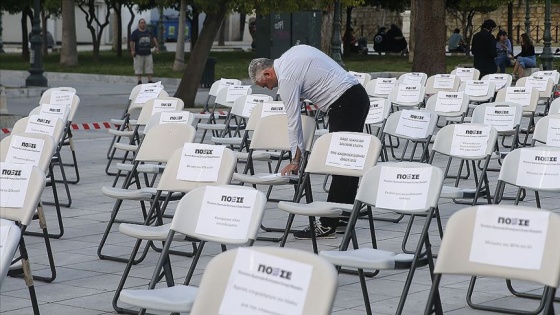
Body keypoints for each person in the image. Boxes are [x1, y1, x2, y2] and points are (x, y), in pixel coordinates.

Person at [248, 45, 370, 239]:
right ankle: (344, 215)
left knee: (340, 163)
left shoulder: (286, 77)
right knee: (348, 163)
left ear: (268, 72)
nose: (270, 89)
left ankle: (328, 223)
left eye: (266, 84)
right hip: (355, 97)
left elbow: (293, 120)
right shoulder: (289, 55)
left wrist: (296, 159)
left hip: (345, 103)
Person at [129, 18, 159, 85]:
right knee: (138, 67)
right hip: (138, 53)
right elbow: (131, 42)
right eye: (141, 23)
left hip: (148, 53)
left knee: (149, 66)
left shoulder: (148, 32)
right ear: (139, 24)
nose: (143, 24)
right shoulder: (135, 33)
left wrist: (157, 46)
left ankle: (150, 80)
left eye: (144, 23)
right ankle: (139, 80)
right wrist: (132, 50)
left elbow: (153, 38)